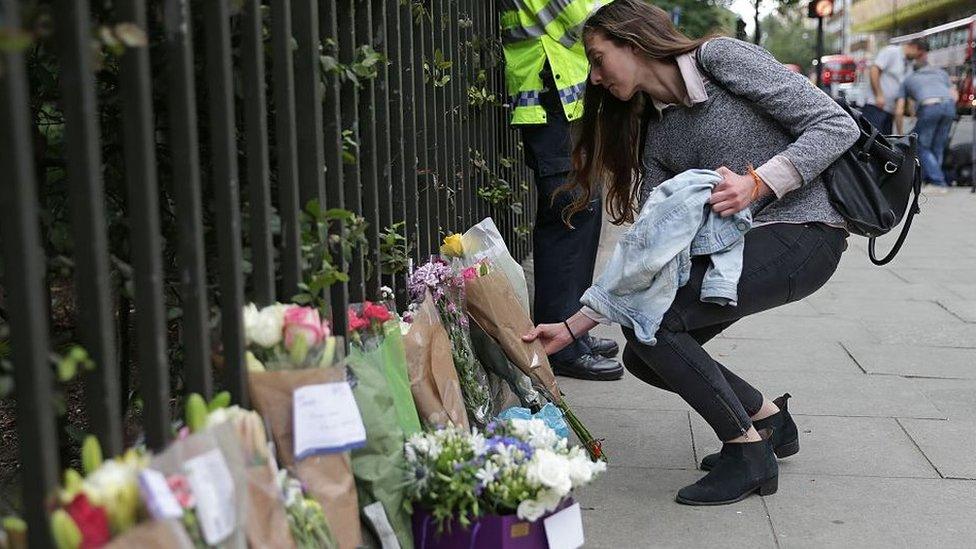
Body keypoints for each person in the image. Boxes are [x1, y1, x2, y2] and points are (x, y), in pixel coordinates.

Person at [522, 0, 860, 505]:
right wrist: (574, 326)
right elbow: (648, 254)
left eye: (597, 58)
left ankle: (747, 454)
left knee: (658, 327)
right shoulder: (656, 133)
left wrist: (758, 184)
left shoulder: (719, 59)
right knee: (642, 350)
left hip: (807, 229)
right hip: (745, 247)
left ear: (632, 43)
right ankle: (768, 420)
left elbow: (837, 126)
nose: (593, 77)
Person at [499, 0, 623, 380]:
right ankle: (561, 343)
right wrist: (625, 33)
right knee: (569, 210)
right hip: (546, 81)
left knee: (582, 208)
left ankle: (571, 330)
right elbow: (578, 18)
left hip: (561, 86)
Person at [894, 38, 959, 194]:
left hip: (929, 107)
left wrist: (900, 133)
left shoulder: (908, 80)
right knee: (938, 146)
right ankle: (933, 181)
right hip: (949, 106)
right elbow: (954, 94)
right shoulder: (941, 73)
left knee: (922, 145)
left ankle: (938, 182)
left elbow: (899, 110)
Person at [863, 41, 923, 134]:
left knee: (885, 143)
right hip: (876, 106)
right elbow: (874, 70)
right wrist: (878, 94)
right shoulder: (891, 52)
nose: (917, 58)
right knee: (872, 140)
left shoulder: (909, 64)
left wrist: (911, 109)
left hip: (890, 110)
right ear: (913, 47)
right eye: (919, 54)